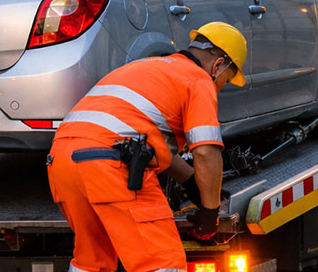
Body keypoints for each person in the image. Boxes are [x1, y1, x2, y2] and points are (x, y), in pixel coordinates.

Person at [46, 21, 248, 272]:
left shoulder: (145, 66)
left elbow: (145, 142)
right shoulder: (198, 79)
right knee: (161, 263)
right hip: (111, 166)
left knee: (92, 261)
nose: (220, 87)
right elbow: (206, 151)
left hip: (62, 161)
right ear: (218, 66)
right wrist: (210, 211)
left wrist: (191, 184)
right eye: (226, 81)